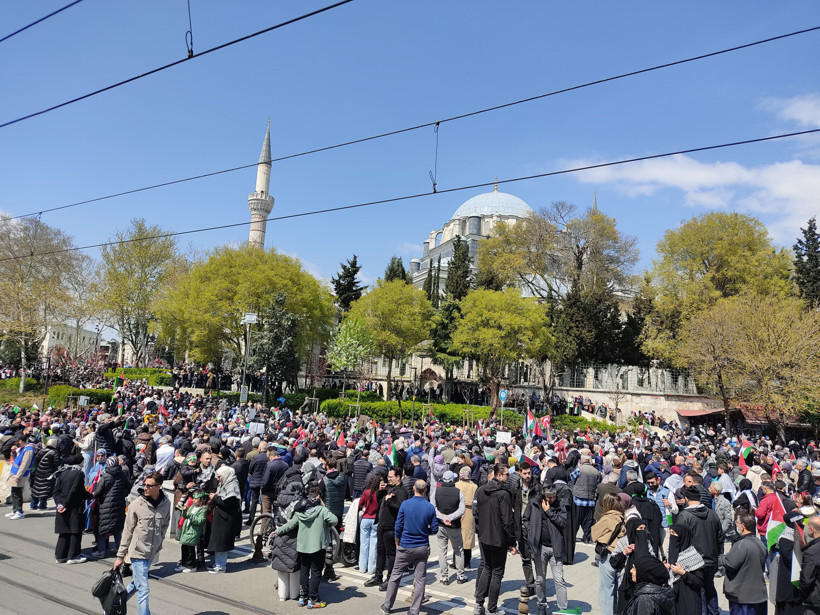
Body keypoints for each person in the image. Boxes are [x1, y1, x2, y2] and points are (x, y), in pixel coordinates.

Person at [113, 471, 171, 615]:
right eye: (144, 484)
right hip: (137, 552)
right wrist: (120, 556)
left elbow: (165, 524)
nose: (145, 488)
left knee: (135, 584)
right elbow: (127, 531)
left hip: (152, 551)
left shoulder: (166, 503)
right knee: (143, 588)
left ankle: (113, 607)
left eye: (149, 486)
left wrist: (159, 541)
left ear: (159, 487)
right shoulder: (136, 505)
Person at [275, 484, 338, 609]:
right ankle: (313, 599)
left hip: (303, 546)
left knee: (304, 570)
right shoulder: (322, 511)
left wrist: (278, 530)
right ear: (319, 497)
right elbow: (334, 520)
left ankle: (302, 597)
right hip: (318, 546)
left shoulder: (300, 511)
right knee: (315, 572)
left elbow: (290, 525)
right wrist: (323, 506)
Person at [381, 479, 438, 615]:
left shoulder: (406, 504)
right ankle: (414, 610)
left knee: (395, 575)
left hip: (405, 545)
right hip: (422, 546)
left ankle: (387, 605)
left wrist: (397, 541)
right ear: (425, 490)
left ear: (413, 488)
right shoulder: (430, 507)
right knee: (420, 579)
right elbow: (435, 529)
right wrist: (426, 531)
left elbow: (398, 525)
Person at [474, 464, 517, 615]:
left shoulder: (481, 491)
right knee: (497, 573)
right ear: (499, 476)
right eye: (506, 475)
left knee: (487, 568)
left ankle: (479, 604)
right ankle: (492, 608)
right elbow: (507, 521)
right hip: (498, 539)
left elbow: (477, 514)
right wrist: (512, 542)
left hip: (484, 536)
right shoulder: (503, 494)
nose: (508, 477)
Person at [676, 485, 723, 615]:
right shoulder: (712, 515)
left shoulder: (684, 516)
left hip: (693, 562)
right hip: (711, 559)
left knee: (698, 591)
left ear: (686, 499)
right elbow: (720, 538)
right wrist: (718, 556)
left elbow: (680, 541)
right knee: (709, 588)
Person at [526, 486, 568, 615]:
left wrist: (549, 511)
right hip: (540, 548)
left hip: (556, 547)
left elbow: (563, 522)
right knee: (540, 579)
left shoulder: (560, 504)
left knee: (559, 580)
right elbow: (525, 519)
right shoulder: (534, 503)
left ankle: (563, 609)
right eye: (549, 497)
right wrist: (530, 533)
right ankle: (541, 605)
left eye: (553, 497)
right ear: (544, 496)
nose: (551, 500)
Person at [366, 465, 408, 590]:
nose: (388, 479)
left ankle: (390, 579)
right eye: (388, 477)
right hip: (382, 524)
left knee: (391, 555)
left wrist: (389, 500)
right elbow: (380, 501)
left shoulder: (402, 491)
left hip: (391, 527)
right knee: (380, 552)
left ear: (398, 477)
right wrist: (380, 491)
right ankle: (378, 575)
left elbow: (400, 507)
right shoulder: (389, 488)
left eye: (391, 477)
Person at [720, 512, 768, 615]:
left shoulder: (741, 545)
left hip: (743, 597)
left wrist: (721, 558)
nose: (736, 525)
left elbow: (730, 563)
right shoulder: (760, 543)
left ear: (742, 526)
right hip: (759, 595)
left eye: (736, 523)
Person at [53, 453, 94, 564]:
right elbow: (76, 490)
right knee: (75, 531)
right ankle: (73, 556)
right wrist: (91, 495)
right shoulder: (79, 474)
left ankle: (60, 556)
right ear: (80, 462)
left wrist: (60, 504)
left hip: (62, 506)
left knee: (64, 531)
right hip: (74, 507)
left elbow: (56, 492)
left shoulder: (62, 472)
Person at [591, 493, 626, 615]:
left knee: (606, 590)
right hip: (621, 555)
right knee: (616, 588)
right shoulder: (623, 517)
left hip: (609, 555)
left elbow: (594, 534)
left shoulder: (608, 518)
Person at [431, 469, 466, 585]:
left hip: (441, 525)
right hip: (454, 525)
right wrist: (450, 518)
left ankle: (444, 576)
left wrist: (442, 517)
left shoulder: (436, 491)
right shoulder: (458, 492)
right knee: (459, 550)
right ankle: (460, 575)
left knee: (442, 552)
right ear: (452, 479)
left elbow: (433, 507)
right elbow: (462, 510)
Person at [91, 455, 131, 558]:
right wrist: (123, 494)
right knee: (118, 529)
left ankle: (101, 551)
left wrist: (94, 495)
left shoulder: (106, 475)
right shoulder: (122, 474)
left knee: (103, 529)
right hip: (119, 504)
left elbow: (99, 490)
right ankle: (119, 549)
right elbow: (128, 486)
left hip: (106, 505)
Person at [207, 465, 242, 573]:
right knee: (218, 541)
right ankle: (218, 563)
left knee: (222, 542)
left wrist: (215, 497)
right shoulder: (226, 483)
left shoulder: (232, 486)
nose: (218, 479)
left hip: (226, 519)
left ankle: (221, 566)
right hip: (221, 518)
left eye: (219, 477)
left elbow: (226, 502)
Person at [665, 523, 705, 614]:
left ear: (683, 536)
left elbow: (699, 582)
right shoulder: (671, 553)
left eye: (674, 533)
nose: (672, 536)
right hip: (675, 600)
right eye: (670, 533)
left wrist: (683, 573)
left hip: (689, 602)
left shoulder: (693, 557)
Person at [176, 491, 208, 573]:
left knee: (190, 548)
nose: (194, 500)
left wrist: (190, 515)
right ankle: (184, 564)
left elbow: (200, 520)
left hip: (193, 531)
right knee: (184, 547)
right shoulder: (192, 506)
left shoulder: (203, 509)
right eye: (193, 498)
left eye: (196, 499)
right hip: (187, 529)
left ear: (201, 500)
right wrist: (184, 510)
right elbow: (186, 515)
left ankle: (191, 566)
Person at [358, 473, 382, 575]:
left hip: (365, 518)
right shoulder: (379, 493)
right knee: (373, 545)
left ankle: (362, 567)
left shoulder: (366, 492)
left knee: (364, 544)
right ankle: (371, 568)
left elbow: (359, 504)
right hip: (375, 519)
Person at [6, 435, 35, 519]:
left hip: (20, 474)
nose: (14, 443)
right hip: (14, 473)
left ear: (20, 441)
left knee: (18, 493)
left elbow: (24, 464)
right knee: (14, 492)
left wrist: (18, 476)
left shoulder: (29, 450)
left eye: (16, 441)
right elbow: (17, 460)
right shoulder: (22, 449)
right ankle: (14, 510)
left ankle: (19, 511)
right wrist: (13, 452)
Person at [455, 465, 478, 569]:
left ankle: (457, 561)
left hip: (457, 511)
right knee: (468, 536)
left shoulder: (456, 485)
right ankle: (467, 562)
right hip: (469, 512)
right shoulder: (474, 486)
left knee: (457, 535)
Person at [30, 437, 60, 510]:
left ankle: (33, 505)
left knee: (36, 488)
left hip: (39, 472)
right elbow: (56, 463)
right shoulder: (54, 452)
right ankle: (42, 505)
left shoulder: (41, 451)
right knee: (45, 489)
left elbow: (36, 461)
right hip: (48, 473)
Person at [799, 515, 820, 615]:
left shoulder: (811, 552)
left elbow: (806, 580)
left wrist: (802, 595)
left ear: (811, 530)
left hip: (814, 603)